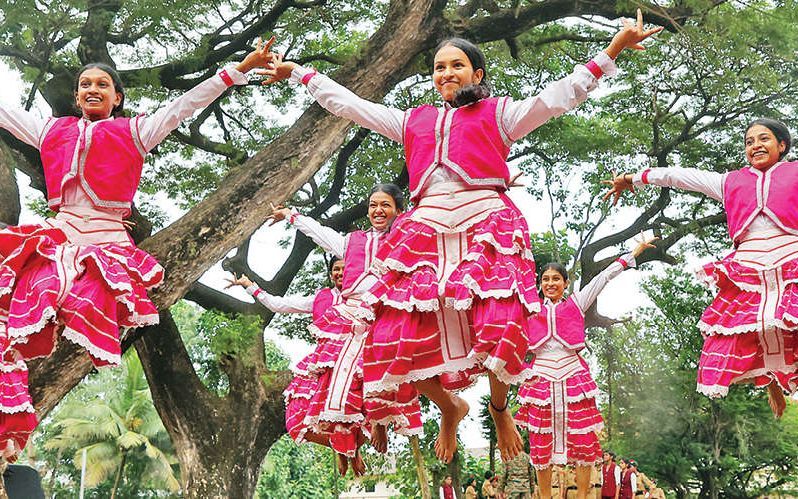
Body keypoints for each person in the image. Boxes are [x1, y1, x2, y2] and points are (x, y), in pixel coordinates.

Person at [260, 11, 661, 464]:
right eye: (438, 67)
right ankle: (450, 404)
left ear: (477, 73)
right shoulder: (411, 121)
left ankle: (499, 407)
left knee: (501, 322)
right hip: (425, 232)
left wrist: (614, 49)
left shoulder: (501, 114)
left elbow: (558, 98)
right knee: (388, 332)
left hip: (483, 221)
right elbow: (351, 105)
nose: (446, 73)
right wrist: (299, 72)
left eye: (456, 65)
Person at [0, 37, 275, 457]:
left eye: (102, 85)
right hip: (59, 235)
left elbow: (184, 104)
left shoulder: (134, 130)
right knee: (23, 296)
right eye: (86, 84)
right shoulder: (51, 130)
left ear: (117, 97)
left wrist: (236, 70)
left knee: (85, 297)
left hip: (106, 241)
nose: (93, 89)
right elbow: (5, 112)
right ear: (76, 96)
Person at [604, 118, 798, 416]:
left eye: (764, 139)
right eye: (749, 142)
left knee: (787, 320)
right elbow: (680, 176)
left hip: (791, 259)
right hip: (748, 266)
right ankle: (769, 376)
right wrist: (633, 178)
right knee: (742, 328)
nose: (756, 146)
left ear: (782, 144)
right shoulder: (729, 181)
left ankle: (778, 376)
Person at [268, 184, 422, 452]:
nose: (378, 210)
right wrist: (291, 215)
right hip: (352, 316)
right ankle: (359, 430)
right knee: (344, 374)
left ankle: (381, 422)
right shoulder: (353, 243)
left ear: (399, 210)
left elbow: (437, 219)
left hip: (388, 313)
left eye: (385, 205)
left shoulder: (407, 239)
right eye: (373, 205)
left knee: (386, 369)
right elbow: (320, 233)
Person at [515, 237, 655, 499]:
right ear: (540, 284)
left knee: (583, 441)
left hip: (572, 376)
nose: (550, 284)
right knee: (539, 442)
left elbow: (603, 278)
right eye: (546, 279)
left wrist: (633, 253)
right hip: (541, 378)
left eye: (556, 279)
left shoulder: (576, 303)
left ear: (565, 283)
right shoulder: (530, 308)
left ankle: (582, 496)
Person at [227, 257, 371, 475]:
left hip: (355, 360)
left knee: (353, 409)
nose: (340, 273)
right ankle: (341, 448)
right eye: (336, 269)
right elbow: (279, 305)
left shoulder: (367, 296)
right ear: (331, 273)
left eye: (345, 268)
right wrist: (250, 286)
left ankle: (352, 451)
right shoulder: (322, 298)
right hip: (324, 362)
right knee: (297, 417)